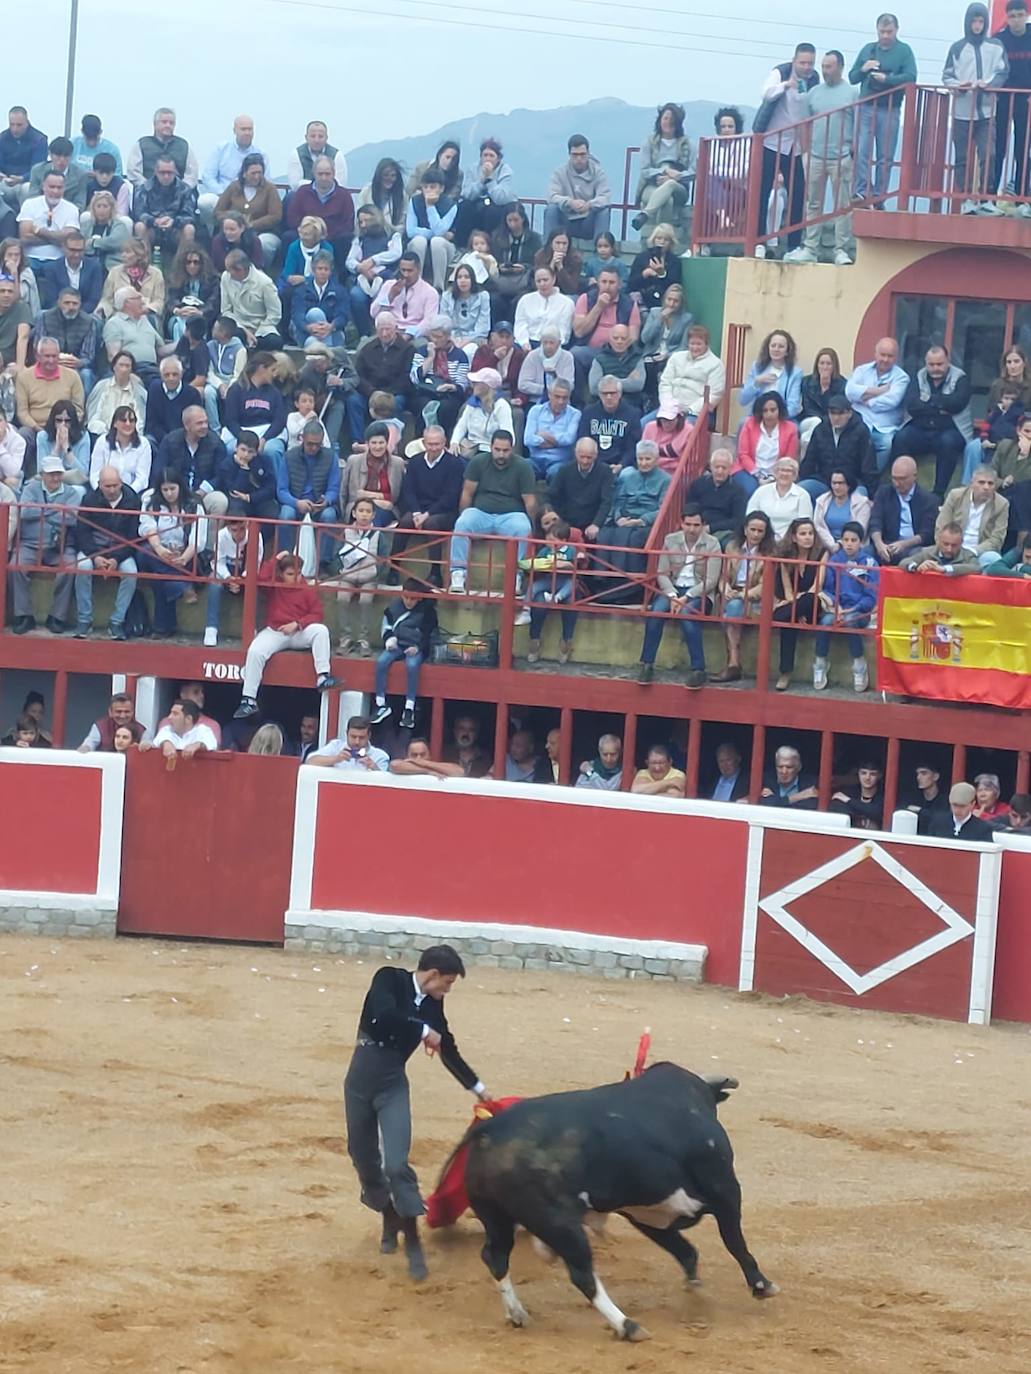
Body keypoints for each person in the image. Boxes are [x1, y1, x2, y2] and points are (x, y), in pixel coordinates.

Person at [342, 943, 486, 1281]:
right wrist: (422, 1031)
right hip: (359, 1085)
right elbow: (382, 1015)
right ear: (433, 975)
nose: (447, 990)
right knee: (362, 1157)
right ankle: (389, 1213)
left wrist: (478, 1089)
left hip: (392, 1086)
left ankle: (413, 1241)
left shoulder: (434, 1006)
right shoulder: (389, 980)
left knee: (396, 1163)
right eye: (447, 983)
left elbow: (447, 1047)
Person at [234, 550, 337, 718]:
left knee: (321, 630)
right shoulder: (274, 584)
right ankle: (249, 700)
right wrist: (276, 558)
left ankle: (323, 676)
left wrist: (297, 624)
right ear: (281, 573)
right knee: (255, 651)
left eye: (298, 573)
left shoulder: (306, 588)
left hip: (298, 632)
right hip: (276, 631)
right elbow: (260, 578)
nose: (295, 577)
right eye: (290, 574)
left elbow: (317, 614)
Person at [784, 50, 856, 265]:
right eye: (823, 67)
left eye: (829, 67)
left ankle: (841, 249)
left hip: (841, 156)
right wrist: (805, 152)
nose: (825, 71)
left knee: (842, 205)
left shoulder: (852, 93)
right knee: (813, 203)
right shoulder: (813, 93)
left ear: (840, 67)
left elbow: (859, 123)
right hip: (816, 156)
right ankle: (810, 248)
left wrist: (853, 150)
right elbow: (805, 125)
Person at [637, 503, 720, 688]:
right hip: (672, 589)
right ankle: (647, 664)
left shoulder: (713, 543)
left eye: (696, 525)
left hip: (699, 592)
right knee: (656, 613)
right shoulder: (670, 540)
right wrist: (673, 595)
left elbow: (711, 580)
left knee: (687, 615)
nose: (692, 529)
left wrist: (686, 597)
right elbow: (662, 573)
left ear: (703, 525)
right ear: (681, 523)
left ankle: (699, 669)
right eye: (688, 524)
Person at [448, 432, 535, 594]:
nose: (501, 454)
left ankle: (518, 574)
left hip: (511, 515)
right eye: (497, 449)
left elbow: (529, 501)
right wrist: (463, 513)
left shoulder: (523, 466)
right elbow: (467, 493)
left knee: (523, 527)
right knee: (462, 523)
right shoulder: (478, 462)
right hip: (481, 513)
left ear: (512, 449)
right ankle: (458, 573)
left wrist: (533, 527)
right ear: (490, 447)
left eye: (505, 450)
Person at [754, 44, 818, 256]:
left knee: (798, 192)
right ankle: (759, 240)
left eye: (810, 63)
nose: (807, 67)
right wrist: (785, 85)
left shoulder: (813, 79)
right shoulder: (780, 72)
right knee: (763, 192)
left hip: (795, 144)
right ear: (794, 61)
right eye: (803, 63)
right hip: (772, 141)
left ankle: (794, 244)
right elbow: (766, 93)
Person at [943, 6, 1010, 214]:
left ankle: (986, 198)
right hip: (962, 112)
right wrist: (959, 86)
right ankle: (964, 200)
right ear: (967, 22)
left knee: (988, 154)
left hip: (987, 112)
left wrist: (988, 84)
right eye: (974, 21)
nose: (977, 26)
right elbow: (947, 76)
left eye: (981, 22)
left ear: (986, 23)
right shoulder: (957, 48)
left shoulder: (996, 46)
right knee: (962, 157)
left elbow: (1003, 71)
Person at [9, 456, 82, 634]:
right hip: (29, 545)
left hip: (60, 546)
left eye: (58, 474)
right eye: (51, 474)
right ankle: (24, 615)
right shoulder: (31, 488)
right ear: (42, 475)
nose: (55, 478)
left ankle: (57, 617)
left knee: (71, 569)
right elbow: (25, 512)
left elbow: (71, 519)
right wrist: (55, 509)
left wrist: (41, 509)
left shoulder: (72, 492)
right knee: (14, 567)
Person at [850, 14, 918, 202]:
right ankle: (862, 191)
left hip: (890, 108)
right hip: (866, 106)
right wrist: (864, 69)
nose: (886, 36)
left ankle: (879, 194)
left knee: (885, 154)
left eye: (889, 32)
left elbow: (911, 77)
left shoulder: (904, 51)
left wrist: (887, 79)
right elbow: (852, 77)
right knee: (862, 150)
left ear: (897, 30)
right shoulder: (868, 49)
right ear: (877, 30)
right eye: (882, 32)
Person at [891, 346, 973, 497]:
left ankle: (938, 494)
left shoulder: (961, 378)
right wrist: (940, 406)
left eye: (940, 364)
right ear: (926, 363)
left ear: (948, 361)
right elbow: (912, 406)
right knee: (900, 438)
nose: (935, 368)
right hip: (920, 430)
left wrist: (927, 402)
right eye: (931, 364)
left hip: (952, 430)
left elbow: (957, 403)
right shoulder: (918, 376)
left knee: (948, 442)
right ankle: (903, 488)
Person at [74, 465, 143, 640]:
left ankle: (117, 622)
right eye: (107, 486)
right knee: (82, 567)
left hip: (121, 550)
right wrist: (95, 556)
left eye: (115, 485)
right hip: (93, 548)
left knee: (131, 573)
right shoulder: (89, 499)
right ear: (99, 484)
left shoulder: (132, 500)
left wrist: (115, 558)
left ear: (121, 483)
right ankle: (84, 619)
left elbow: (133, 536)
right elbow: (82, 532)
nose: (112, 490)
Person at [390, 426, 463, 587]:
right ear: (424, 443)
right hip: (418, 509)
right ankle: (393, 568)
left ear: (444, 442)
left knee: (431, 524)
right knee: (404, 523)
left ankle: (435, 573)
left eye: (437, 444)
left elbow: (450, 496)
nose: (434, 448)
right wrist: (416, 512)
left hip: (444, 511)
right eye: (430, 444)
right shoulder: (415, 462)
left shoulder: (455, 464)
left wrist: (427, 514)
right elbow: (408, 491)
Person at [709, 511, 776, 683]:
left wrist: (743, 594)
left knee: (732, 608)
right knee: (732, 606)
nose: (756, 534)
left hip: (755, 597)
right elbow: (723, 576)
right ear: (745, 529)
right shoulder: (732, 546)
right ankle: (733, 663)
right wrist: (726, 589)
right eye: (752, 529)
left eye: (760, 531)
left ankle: (733, 663)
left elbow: (766, 584)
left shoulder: (770, 552)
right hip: (732, 593)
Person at [595, 440, 671, 587]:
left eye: (648, 459)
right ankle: (602, 581)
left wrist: (641, 520)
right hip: (624, 518)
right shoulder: (629, 477)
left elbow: (663, 509)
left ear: (656, 460)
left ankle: (627, 582)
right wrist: (618, 518)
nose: (643, 463)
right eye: (640, 459)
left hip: (645, 522)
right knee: (605, 534)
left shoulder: (666, 480)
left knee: (632, 537)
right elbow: (618, 500)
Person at [137, 467, 201, 637]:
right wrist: (159, 549)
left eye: (172, 488)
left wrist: (183, 557)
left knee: (161, 581)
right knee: (146, 552)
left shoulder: (193, 505)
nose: (169, 493)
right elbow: (146, 527)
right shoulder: (151, 503)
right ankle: (182, 585)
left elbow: (198, 539)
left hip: (185, 557)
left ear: (180, 486)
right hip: (157, 553)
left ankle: (163, 628)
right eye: (165, 489)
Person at [370, 579, 437, 730]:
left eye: (412, 598)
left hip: (415, 647)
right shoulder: (393, 607)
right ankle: (381, 703)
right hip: (397, 644)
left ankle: (409, 707)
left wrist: (418, 647)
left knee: (412, 665)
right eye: (406, 597)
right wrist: (389, 639)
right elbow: (386, 626)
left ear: (419, 597)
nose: (408, 601)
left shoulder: (428, 611)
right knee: (382, 662)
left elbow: (429, 634)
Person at [771, 516, 826, 690]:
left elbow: (816, 587)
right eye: (803, 534)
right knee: (788, 623)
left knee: (802, 603)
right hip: (794, 606)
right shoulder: (785, 555)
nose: (808, 537)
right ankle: (785, 673)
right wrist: (796, 609)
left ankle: (788, 614)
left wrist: (797, 604)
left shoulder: (822, 553)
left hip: (813, 605)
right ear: (794, 537)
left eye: (810, 533)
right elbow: (787, 592)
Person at [518, 518, 582, 665]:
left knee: (571, 596)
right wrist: (536, 565)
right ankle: (532, 631)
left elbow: (579, 565)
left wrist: (566, 564)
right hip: (547, 580)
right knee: (538, 598)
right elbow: (534, 562)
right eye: (547, 538)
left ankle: (566, 641)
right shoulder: (545, 549)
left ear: (563, 540)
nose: (548, 542)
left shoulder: (570, 549)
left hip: (564, 582)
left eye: (552, 539)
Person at [14, 335, 85, 464]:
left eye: (54, 356)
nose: (51, 360)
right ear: (38, 356)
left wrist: (64, 427)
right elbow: (22, 412)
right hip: (36, 427)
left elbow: (78, 409)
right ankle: (21, 477)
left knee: (82, 434)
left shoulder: (72, 376)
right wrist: (39, 429)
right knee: (22, 435)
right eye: (47, 356)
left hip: (64, 425)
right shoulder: (24, 377)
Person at [570, 268, 641, 391]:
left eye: (612, 283)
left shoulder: (629, 304)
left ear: (619, 285)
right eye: (604, 282)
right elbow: (579, 332)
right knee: (574, 354)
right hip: (590, 350)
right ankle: (578, 399)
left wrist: (616, 347)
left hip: (616, 352)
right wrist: (599, 306)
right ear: (598, 282)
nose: (607, 286)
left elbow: (633, 337)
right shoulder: (586, 298)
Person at [845, 337, 910, 471]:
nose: (885, 359)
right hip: (860, 422)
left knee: (886, 444)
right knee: (849, 441)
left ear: (896, 358)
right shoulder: (862, 370)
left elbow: (891, 401)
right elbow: (849, 392)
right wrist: (879, 391)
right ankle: (850, 477)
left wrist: (865, 399)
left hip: (884, 427)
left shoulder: (902, 377)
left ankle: (872, 478)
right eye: (882, 355)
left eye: (890, 356)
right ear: (875, 354)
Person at [204, 502, 263, 647]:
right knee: (214, 584)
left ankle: (251, 629)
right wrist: (228, 578)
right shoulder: (221, 536)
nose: (239, 534)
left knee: (254, 587)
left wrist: (243, 579)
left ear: (247, 524)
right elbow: (218, 561)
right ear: (228, 528)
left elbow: (256, 562)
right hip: (226, 570)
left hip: (245, 573)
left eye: (242, 529)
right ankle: (211, 629)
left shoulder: (255, 535)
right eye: (234, 530)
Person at [800, 395, 877, 502]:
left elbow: (868, 465)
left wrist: (872, 495)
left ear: (849, 413)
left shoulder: (861, 431)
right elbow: (809, 460)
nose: (836, 418)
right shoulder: (820, 429)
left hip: (852, 483)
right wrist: (801, 480)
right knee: (801, 491)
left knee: (860, 499)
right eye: (833, 413)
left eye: (841, 413)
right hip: (825, 481)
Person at [634, 103, 693, 236]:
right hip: (652, 186)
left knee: (670, 184)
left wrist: (676, 176)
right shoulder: (649, 142)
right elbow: (645, 170)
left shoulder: (687, 144)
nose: (668, 122)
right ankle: (662, 239)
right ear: (660, 120)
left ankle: (645, 214)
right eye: (665, 118)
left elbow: (694, 172)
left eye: (672, 120)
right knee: (667, 201)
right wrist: (664, 171)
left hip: (679, 188)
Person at [869, 455, 939, 565]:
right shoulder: (883, 493)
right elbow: (875, 522)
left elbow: (927, 534)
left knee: (918, 556)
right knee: (864, 553)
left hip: (913, 547)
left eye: (902, 479)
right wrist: (879, 544)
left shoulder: (929, 500)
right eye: (894, 478)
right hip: (887, 544)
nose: (897, 483)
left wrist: (903, 544)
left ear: (914, 476)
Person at [936, 466, 1010, 568]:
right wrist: (951, 548)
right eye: (981, 482)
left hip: (980, 552)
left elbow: (997, 539)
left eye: (990, 483)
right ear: (972, 483)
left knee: (994, 558)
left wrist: (972, 551)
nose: (986, 487)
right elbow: (941, 526)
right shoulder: (955, 496)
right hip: (952, 547)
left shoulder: (1002, 504)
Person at [994, 1, 1031, 204]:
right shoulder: (998, 41)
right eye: (1012, 16)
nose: (1016, 20)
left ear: (1026, 15)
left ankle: (1021, 195)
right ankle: (990, 195)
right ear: (1007, 18)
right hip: (1001, 98)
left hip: (1026, 99)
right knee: (997, 147)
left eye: (1020, 15)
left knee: (1023, 148)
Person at [334, 496, 381, 653]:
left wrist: (378, 572)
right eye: (361, 511)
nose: (364, 515)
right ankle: (345, 638)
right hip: (348, 576)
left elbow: (385, 556)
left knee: (366, 601)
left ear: (373, 515)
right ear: (354, 513)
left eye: (368, 511)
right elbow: (336, 553)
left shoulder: (379, 534)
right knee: (342, 598)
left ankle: (364, 640)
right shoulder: (346, 532)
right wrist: (339, 570)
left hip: (369, 577)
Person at [214, 153, 282, 261]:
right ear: (244, 173)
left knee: (264, 243)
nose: (256, 176)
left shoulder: (270, 189)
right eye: (253, 173)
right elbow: (218, 211)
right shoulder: (233, 187)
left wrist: (251, 225)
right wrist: (233, 222)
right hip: (234, 231)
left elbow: (275, 215)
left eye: (259, 173)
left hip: (263, 232)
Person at [31, 287, 96, 399]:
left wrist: (79, 362)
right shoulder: (45, 317)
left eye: (75, 304)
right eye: (67, 303)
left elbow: (89, 356)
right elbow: (38, 347)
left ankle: (82, 411)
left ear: (80, 304)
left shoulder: (89, 322)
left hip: (76, 366)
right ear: (59, 303)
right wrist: (54, 359)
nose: (71, 307)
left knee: (87, 374)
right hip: (49, 360)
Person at [545, 135, 611, 241]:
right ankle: (547, 251)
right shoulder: (559, 172)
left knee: (603, 212)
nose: (579, 159)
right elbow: (551, 196)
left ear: (588, 154)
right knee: (551, 209)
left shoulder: (598, 173)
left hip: (588, 221)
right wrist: (570, 202)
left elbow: (605, 197)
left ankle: (601, 252)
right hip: (566, 220)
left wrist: (589, 205)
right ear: (569, 154)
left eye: (582, 154)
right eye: (575, 155)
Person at [132, 155, 198, 258]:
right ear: (155, 172)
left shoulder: (185, 189)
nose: (166, 176)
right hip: (153, 229)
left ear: (175, 172)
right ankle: (144, 264)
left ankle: (181, 266)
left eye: (169, 172)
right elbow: (139, 213)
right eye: (162, 172)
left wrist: (174, 222)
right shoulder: (144, 188)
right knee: (139, 226)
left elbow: (189, 215)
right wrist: (155, 221)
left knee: (189, 229)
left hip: (175, 229)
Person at [658, 324, 725, 423]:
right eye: (692, 344)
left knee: (683, 430)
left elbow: (715, 394)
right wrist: (668, 404)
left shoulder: (716, 364)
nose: (695, 347)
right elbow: (665, 382)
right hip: (670, 409)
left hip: (695, 413)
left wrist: (690, 410)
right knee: (645, 424)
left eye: (699, 344)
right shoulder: (676, 357)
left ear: (706, 344)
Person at [452, 137, 515, 242]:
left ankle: (492, 246)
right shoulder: (472, 169)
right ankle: (461, 246)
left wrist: (490, 180)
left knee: (492, 211)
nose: (488, 159)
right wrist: (481, 181)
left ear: (498, 158)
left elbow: (502, 198)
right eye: (485, 155)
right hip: (476, 203)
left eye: (491, 156)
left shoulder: (506, 171)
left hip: (496, 206)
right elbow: (466, 194)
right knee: (464, 207)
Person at [736, 394, 800, 497]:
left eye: (773, 410)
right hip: (749, 471)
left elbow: (789, 460)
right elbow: (743, 455)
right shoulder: (749, 424)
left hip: (777, 474)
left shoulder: (791, 429)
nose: (769, 414)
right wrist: (758, 475)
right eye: (765, 411)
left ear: (779, 410)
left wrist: (773, 477)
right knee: (751, 491)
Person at [17, 171, 81, 273]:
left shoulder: (72, 209)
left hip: (58, 260)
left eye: (59, 187)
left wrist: (39, 231)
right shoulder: (29, 204)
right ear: (43, 187)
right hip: (30, 258)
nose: (55, 191)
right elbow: (25, 238)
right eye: (52, 187)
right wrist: (57, 238)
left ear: (64, 188)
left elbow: (69, 240)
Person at [220, 249, 283, 350]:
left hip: (262, 327)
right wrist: (245, 330)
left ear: (240, 269)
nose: (227, 273)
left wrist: (256, 331)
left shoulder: (265, 283)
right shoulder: (225, 278)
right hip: (238, 325)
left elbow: (275, 314)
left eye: (229, 270)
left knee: (275, 342)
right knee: (231, 334)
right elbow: (226, 310)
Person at [370, 251, 440, 340]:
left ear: (418, 269)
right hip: (389, 332)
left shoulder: (430, 292)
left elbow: (429, 322)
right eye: (403, 270)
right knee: (364, 346)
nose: (406, 274)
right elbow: (374, 313)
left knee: (420, 347)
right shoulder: (389, 285)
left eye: (410, 271)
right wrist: (390, 296)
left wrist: (409, 334)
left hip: (415, 335)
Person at [577, 376, 641, 472]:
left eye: (612, 393)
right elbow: (582, 440)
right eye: (605, 393)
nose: (609, 397)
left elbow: (632, 448)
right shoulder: (588, 412)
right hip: (592, 464)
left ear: (620, 394)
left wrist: (621, 465)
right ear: (599, 394)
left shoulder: (632, 414)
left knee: (628, 474)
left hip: (621, 466)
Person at [125, 108, 199, 190]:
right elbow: (133, 171)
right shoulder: (142, 144)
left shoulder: (184, 145)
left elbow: (192, 174)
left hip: (179, 196)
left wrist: (182, 189)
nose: (168, 125)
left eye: (171, 123)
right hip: (147, 195)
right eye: (164, 122)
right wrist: (148, 188)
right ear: (155, 124)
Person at [100, 287, 164, 383]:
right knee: (156, 386)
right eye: (138, 298)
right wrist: (128, 373)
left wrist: (183, 340)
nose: (142, 301)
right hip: (133, 369)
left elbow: (161, 350)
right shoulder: (114, 323)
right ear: (127, 303)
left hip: (152, 369)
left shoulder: (146, 320)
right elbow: (113, 356)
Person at [449, 367, 513, 460]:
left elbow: (508, 435)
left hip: (490, 452)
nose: (472, 385)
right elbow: (461, 426)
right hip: (470, 448)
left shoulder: (501, 406)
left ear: (487, 386)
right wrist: (454, 442)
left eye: (476, 383)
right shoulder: (472, 403)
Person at [289, 250, 348, 349]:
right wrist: (309, 327)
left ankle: (324, 346)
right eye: (320, 269)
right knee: (315, 313)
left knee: (312, 342)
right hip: (305, 332)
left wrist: (330, 326)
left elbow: (342, 315)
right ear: (313, 269)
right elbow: (297, 314)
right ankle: (328, 348)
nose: (323, 272)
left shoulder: (340, 291)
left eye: (326, 269)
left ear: (331, 271)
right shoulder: (301, 290)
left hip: (331, 332)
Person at [687, 449, 747, 545]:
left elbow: (738, 520)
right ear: (711, 467)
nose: (720, 471)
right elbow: (689, 508)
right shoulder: (698, 484)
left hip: (723, 532)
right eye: (717, 467)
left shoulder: (738, 491)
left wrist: (711, 528)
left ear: (730, 469)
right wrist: (697, 526)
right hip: (696, 526)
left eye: (724, 468)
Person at [740, 330, 803, 420]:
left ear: (787, 351)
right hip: (758, 417)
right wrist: (756, 382)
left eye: (781, 346)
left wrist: (775, 419)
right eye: (773, 346)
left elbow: (793, 406)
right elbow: (743, 400)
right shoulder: (757, 367)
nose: (776, 349)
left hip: (783, 418)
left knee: (795, 429)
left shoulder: (795, 373)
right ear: (768, 348)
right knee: (743, 424)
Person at [524, 379, 580, 479]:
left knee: (557, 472)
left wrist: (543, 435)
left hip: (559, 461)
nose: (560, 401)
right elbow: (528, 439)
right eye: (557, 397)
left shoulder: (575, 414)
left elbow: (569, 439)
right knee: (522, 467)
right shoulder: (536, 411)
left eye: (565, 398)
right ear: (549, 394)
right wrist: (557, 442)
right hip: (535, 459)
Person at [89, 405, 152, 493]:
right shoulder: (102, 442)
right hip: (104, 492)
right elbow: (94, 475)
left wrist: (128, 494)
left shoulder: (143, 444)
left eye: (132, 420)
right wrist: (102, 491)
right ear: (114, 423)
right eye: (123, 420)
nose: (128, 424)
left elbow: (142, 479)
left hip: (132, 494)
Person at [38, 231, 103, 313]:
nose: (76, 255)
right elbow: (51, 299)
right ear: (63, 248)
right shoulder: (51, 268)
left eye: (80, 251)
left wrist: (78, 314)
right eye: (72, 250)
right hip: (58, 313)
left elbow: (94, 299)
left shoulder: (94, 267)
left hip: (86, 314)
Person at [144, 356, 202, 448]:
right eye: (167, 375)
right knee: (147, 441)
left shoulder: (192, 394)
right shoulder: (154, 389)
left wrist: (176, 439)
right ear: (161, 375)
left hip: (184, 441)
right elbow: (151, 423)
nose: (171, 378)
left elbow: (193, 424)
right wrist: (167, 439)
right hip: (159, 439)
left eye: (175, 374)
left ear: (181, 374)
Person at [513, 266, 574, 351]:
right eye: (538, 281)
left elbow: (564, 331)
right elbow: (520, 324)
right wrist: (524, 343)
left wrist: (550, 347)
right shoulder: (525, 299)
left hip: (552, 345)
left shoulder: (567, 303)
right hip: (527, 342)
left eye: (545, 280)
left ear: (553, 279)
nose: (542, 284)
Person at [491, 203, 542, 306]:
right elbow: (493, 259)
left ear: (523, 219)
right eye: (509, 220)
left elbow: (537, 263)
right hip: (501, 281)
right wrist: (500, 266)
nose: (512, 224)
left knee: (519, 301)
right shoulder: (497, 236)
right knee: (494, 300)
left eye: (516, 220)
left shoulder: (535, 238)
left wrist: (524, 267)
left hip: (524, 282)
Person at [813, 469, 873, 552]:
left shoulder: (862, 503)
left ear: (849, 484)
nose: (837, 486)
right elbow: (818, 526)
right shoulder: (821, 501)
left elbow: (860, 529)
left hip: (853, 547)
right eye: (834, 483)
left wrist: (840, 544)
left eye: (841, 483)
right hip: (826, 545)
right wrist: (832, 545)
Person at [439, 264, 490, 359]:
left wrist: (465, 341)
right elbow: (443, 323)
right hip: (451, 338)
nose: (463, 280)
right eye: (459, 277)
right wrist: (453, 340)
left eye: (466, 277)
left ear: (473, 279)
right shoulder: (447, 296)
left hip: (473, 339)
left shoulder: (483, 296)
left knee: (468, 352)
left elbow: (483, 328)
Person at [588, 324, 647, 407]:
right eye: (615, 338)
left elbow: (638, 385)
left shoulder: (637, 358)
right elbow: (594, 388)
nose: (619, 341)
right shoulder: (599, 358)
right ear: (609, 339)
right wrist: (627, 381)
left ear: (629, 339)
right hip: (603, 405)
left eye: (623, 338)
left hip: (631, 404)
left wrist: (608, 380)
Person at [628, 225, 682, 313]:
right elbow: (631, 284)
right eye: (659, 238)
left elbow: (675, 285)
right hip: (642, 301)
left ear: (671, 242)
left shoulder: (674, 261)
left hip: (664, 303)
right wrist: (644, 275)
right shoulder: (642, 257)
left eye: (666, 239)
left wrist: (662, 274)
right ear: (653, 239)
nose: (662, 242)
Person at [34, 397, 90, 482]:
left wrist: (66, 448)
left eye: (67, 421)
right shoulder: (42, 436)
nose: (63, 424)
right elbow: (41, 470)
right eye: (59, 420)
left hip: (73, 482)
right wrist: (57, 448)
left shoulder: (83, 437)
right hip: (49, 482)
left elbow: (83, 473)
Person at [0, 107, 48, 207]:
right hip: (5, 181)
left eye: (19, 125)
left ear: (27, 122)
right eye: (12, 124)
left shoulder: (39, 140)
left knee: (27, 189)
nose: (15, 129)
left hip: (26, 182)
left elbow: (38, 170)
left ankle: (25, 220)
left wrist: (21, 178)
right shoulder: (2, 138)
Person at [900, 521, 981, 575]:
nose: (949, 549)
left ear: (961, 543)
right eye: (946, 544)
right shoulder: (927, 552)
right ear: (938, 540)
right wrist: (916, 567)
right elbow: (904, 562)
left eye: (954, 545)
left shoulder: (968, 556)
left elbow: (976, 568)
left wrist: (945, 569)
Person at [927, 781, 998, 840]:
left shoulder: (983, 829)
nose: (957, 810)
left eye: (962, 806)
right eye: (955, 805)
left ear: (972, 804)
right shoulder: (937, 823)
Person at [359, 157, 407, 237]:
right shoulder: (366, 192)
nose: (389, 179)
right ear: (379, 176)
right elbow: (359, 219)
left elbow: (403, 224)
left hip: (393, 238)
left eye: (393, 176)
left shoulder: (403, 196)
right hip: (368, 236)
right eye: (386, 175)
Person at [760, 744, 818, 808]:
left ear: (798, 767)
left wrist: (776, 800)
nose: (784, 771)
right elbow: (762, 803)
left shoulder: (810, 784)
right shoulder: (766, 781)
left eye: (789, 767)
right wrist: (799, 796)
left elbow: (809, 807)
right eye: (780, 767)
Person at [800, 347, 848, 426]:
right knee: (816, 422)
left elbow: (836, 408)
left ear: (834, 366)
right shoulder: (806, 382)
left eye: (828, 364)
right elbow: (808, 408)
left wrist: (826, 387)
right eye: (822, 363)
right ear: (817, 365)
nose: (825, 367)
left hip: (832, 422)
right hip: (809, 420)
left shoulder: (842, 384)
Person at [831, 761, 884, 829]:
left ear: (879, 776)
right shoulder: (850, 792)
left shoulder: (883, 795)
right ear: (858, 774)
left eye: (873, 774)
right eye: (863, 773)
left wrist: (848, 801)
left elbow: (876, 811)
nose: (867, 778)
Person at [904, 762, 953, 834]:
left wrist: (920, 811)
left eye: (924, 773)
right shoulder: (913, 798)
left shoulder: (945, 800)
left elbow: (943, 820)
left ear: (936, 777)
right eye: (917, 774)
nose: (918, 777)